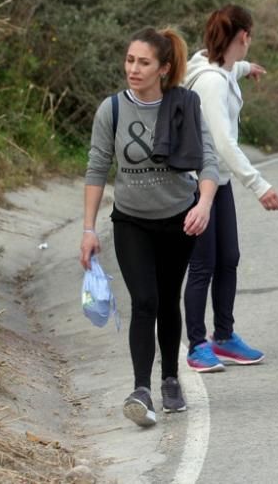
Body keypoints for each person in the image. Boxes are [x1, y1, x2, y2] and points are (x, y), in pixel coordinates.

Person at [81, 27, 219, 427]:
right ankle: (141, 390)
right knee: (144, 301)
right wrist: (89, 229)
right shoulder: (112, 109)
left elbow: (208, 162)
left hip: (179, 219)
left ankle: (171, 378)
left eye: (143, 62)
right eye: (129, 60)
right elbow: (95, 169)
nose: (134, 69)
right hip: (131, 221)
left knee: (166, 299)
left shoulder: (185, 104)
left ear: (164, 68)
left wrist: (205, 204)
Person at [183, 6, 278, 373]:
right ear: (244, 36)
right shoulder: (210, 82)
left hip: (219, 180)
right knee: (203, 265)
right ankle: (196, 345)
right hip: (199, 183)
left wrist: (247, 68)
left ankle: (223, 337)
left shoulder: (215, 68)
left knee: (229, 257)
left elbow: (226, 69)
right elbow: (224, 142)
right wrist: (259, 185)